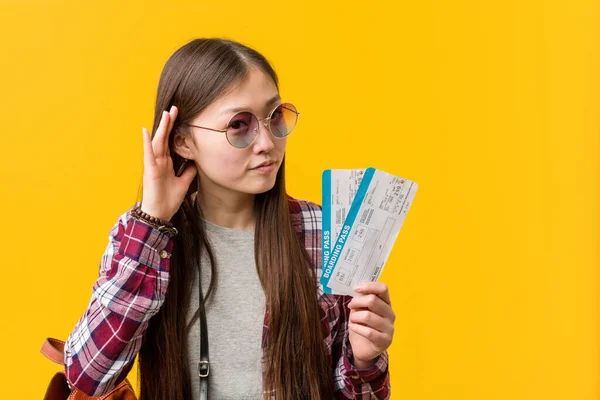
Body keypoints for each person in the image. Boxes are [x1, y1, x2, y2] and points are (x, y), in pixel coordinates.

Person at [63, 38, 394, 400]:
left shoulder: (322, 232)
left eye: (274, 117)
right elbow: (89, 375)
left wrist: (364, 359)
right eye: (239, 125)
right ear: (183, 142)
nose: (267, 142)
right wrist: (154, 223)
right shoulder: (144, 238)